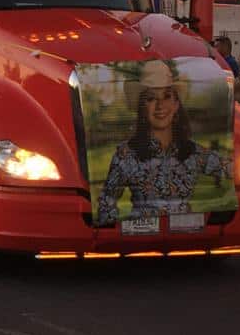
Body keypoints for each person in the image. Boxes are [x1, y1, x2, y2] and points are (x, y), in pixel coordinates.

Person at [97, 60, 230, 224]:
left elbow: (232, 171)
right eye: (151, 99)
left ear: (176, 105)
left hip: (187, 240)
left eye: (167, 97)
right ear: (142, 106)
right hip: (141, 242)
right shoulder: (126, 154)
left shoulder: (193, 152)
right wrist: (121, 234)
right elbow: (106, 202)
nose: (160, 105)